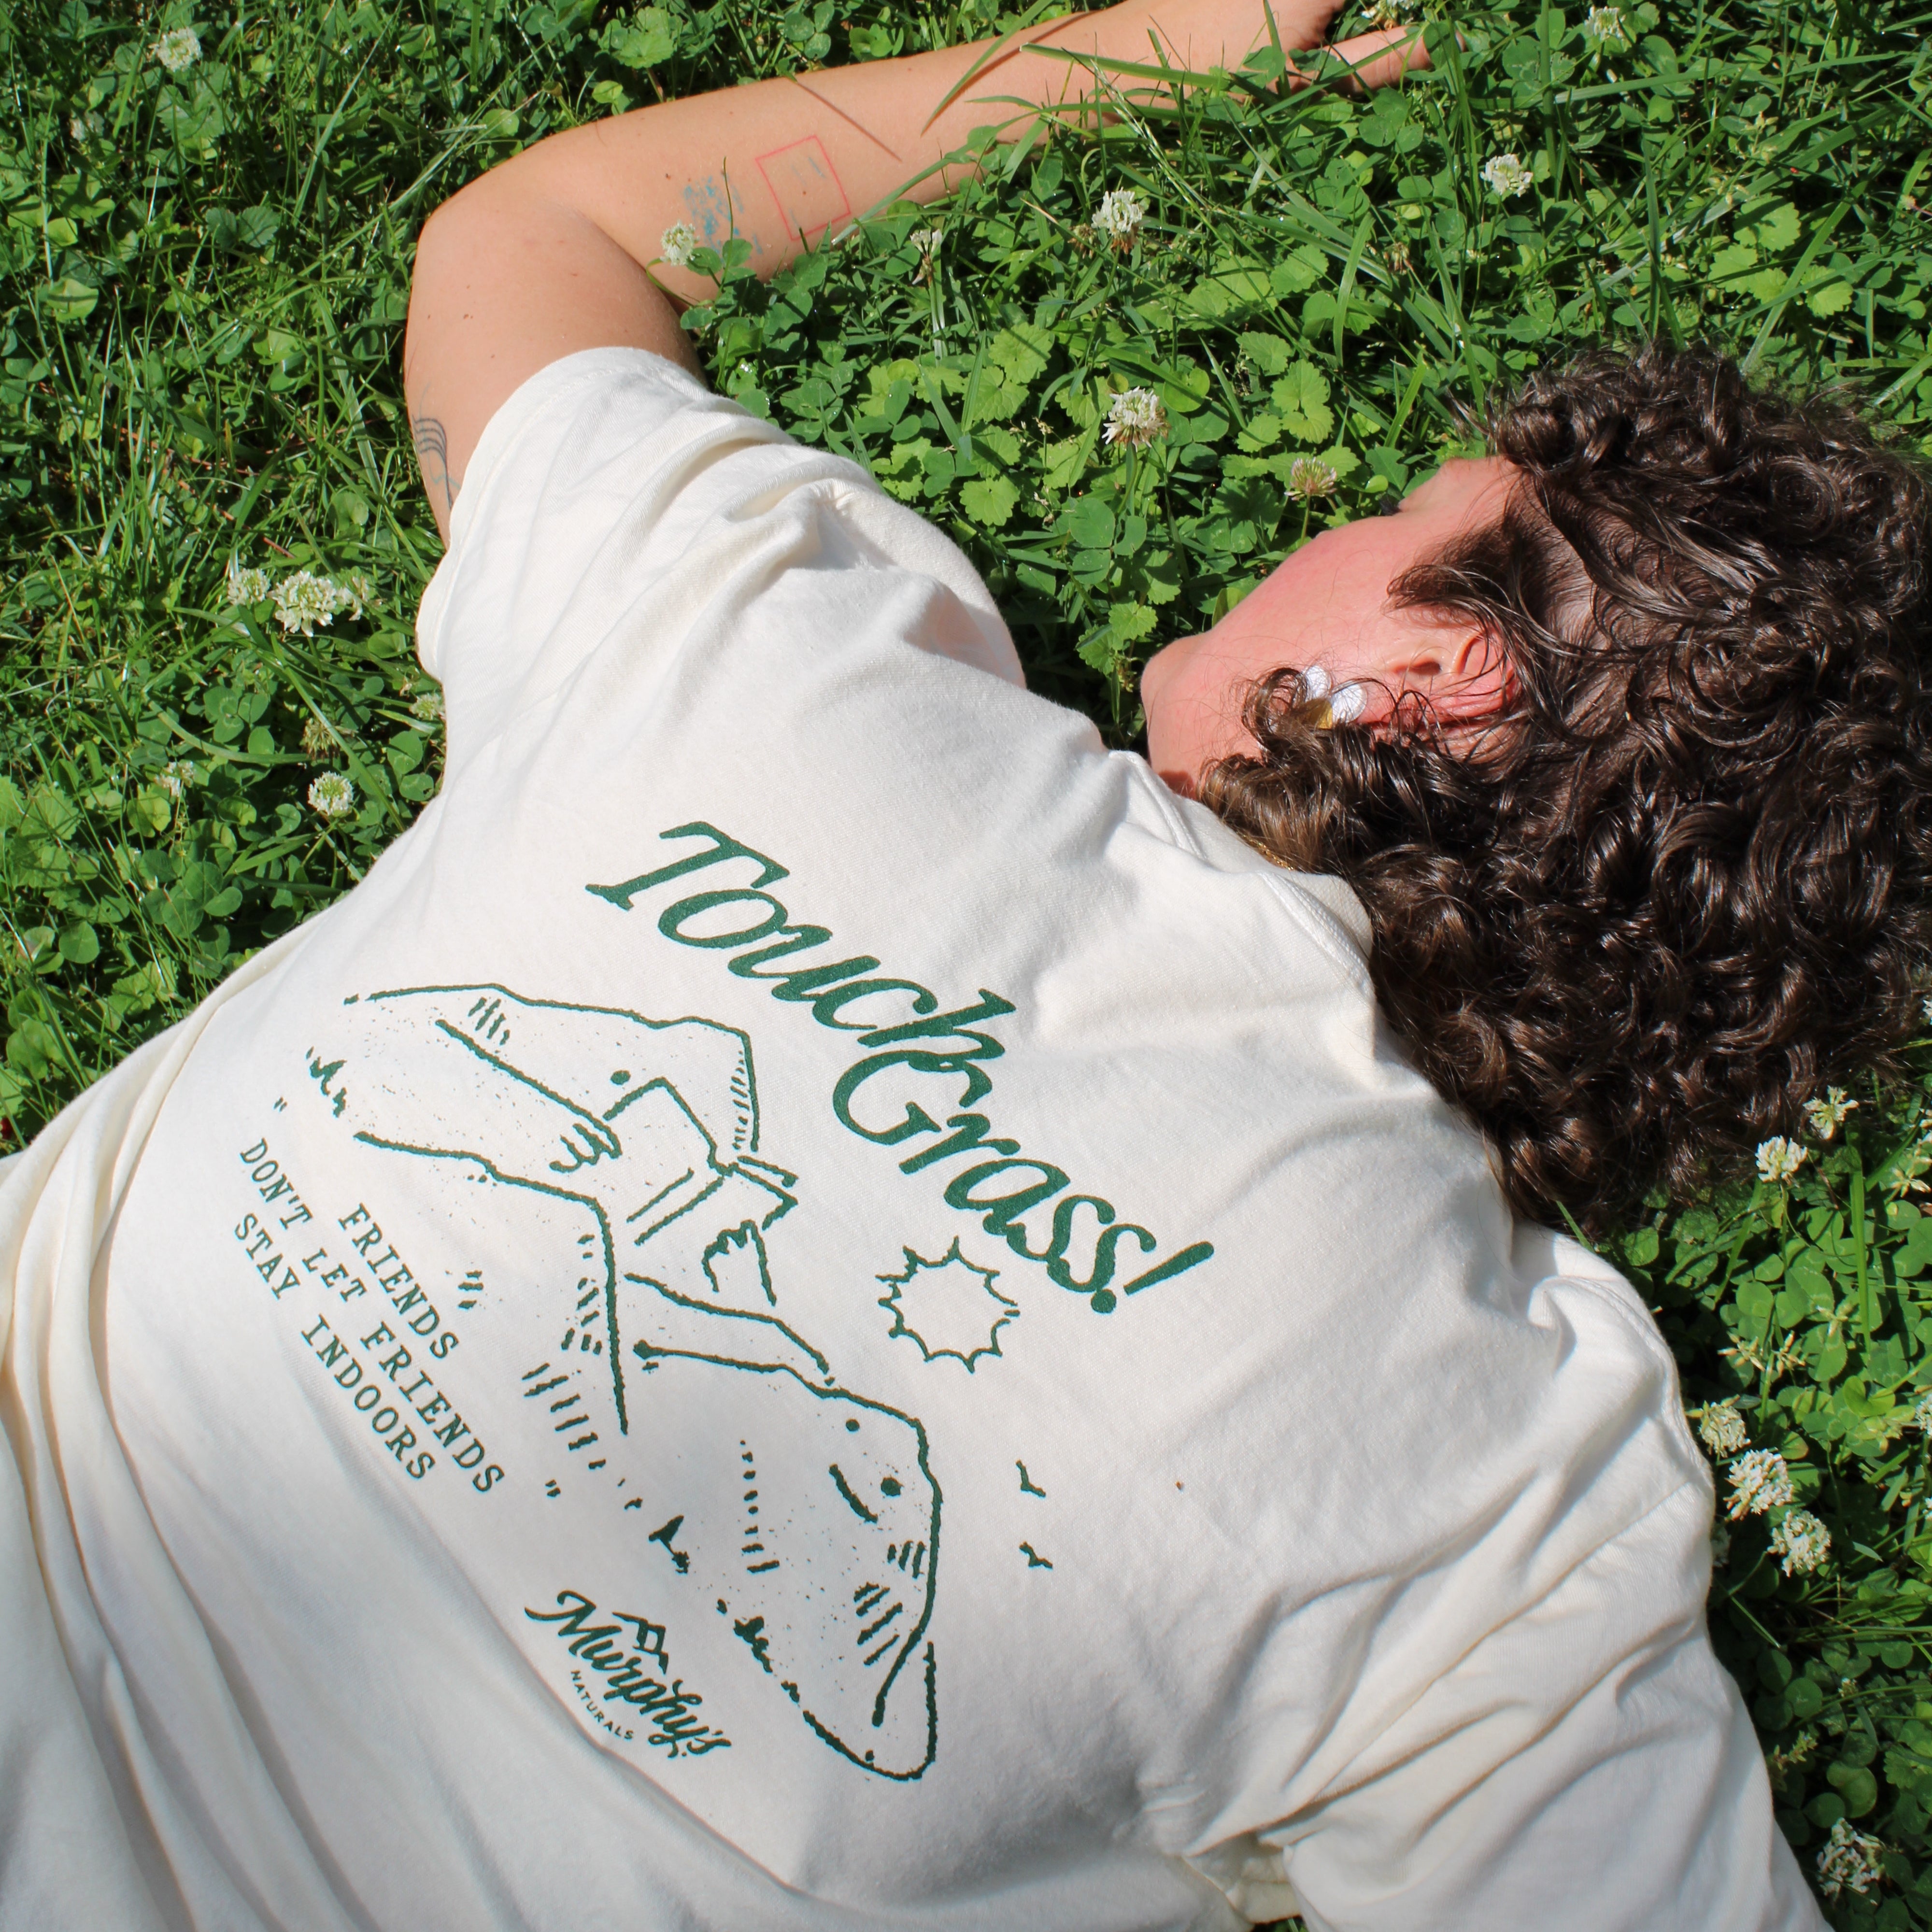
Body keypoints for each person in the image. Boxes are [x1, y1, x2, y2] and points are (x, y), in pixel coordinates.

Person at [3, 0, 1921, 1924]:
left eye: (1397, 514)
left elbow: (534, 245)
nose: (1308, 525)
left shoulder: (792, 665)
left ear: (1440, 674)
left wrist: (1158, 47)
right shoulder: (1486, 1493)